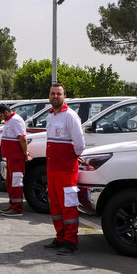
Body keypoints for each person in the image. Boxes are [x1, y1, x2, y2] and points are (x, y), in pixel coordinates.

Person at [43, 83, 85, 254]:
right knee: (55, 207)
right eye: (52, 93)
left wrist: (73, 156)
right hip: (52, 169)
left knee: (68, 206)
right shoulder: (50, 115)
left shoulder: (70, 116)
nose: (55, 96)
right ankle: (60, 237)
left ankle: (71, 241)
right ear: (49, 96)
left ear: (64, 96)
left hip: (66, 170)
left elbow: (80, 143)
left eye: (58, 94)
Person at [0, 103, 30, 215]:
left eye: (1, 116)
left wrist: (25, 152)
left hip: (16, 158)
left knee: (16, 183)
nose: (1, 119)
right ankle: (12, 205)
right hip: (11, 158)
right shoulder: (10, 120)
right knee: (10, 183)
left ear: (6, 112)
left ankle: (17, 208)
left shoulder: (16, 120)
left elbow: (22, 138)